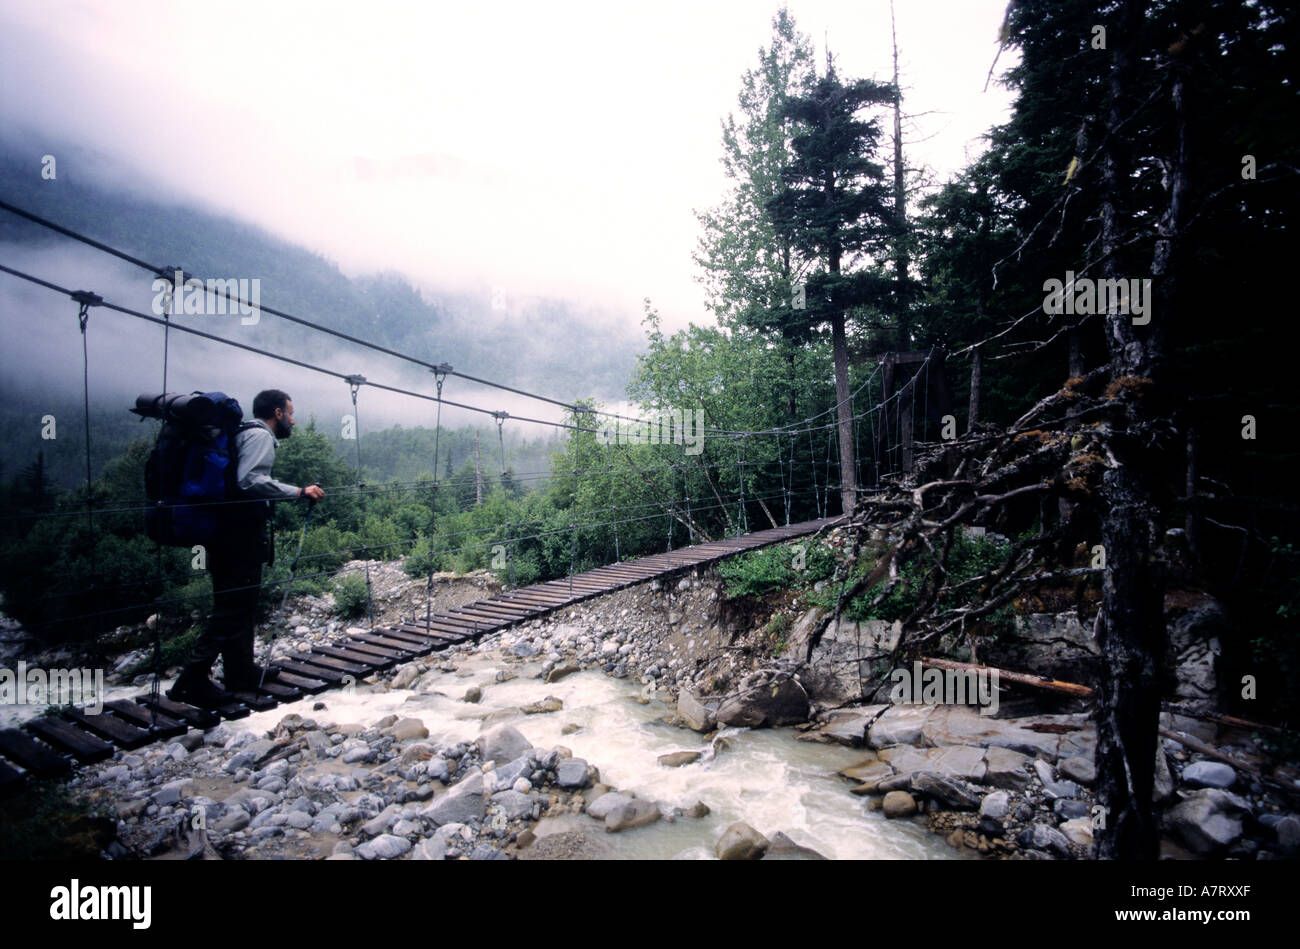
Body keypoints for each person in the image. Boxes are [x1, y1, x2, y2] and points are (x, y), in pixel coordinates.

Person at [168, 389, 324, 708]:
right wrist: (298, 491)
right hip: (237, 535)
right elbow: (249, 481)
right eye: (290, 413)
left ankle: (241, 671)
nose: (293, 420)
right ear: (277, 413)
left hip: (225, 532)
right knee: (232, 606)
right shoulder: (260, 436)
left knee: (241, 603)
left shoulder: (241, 433)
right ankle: (191, 680)